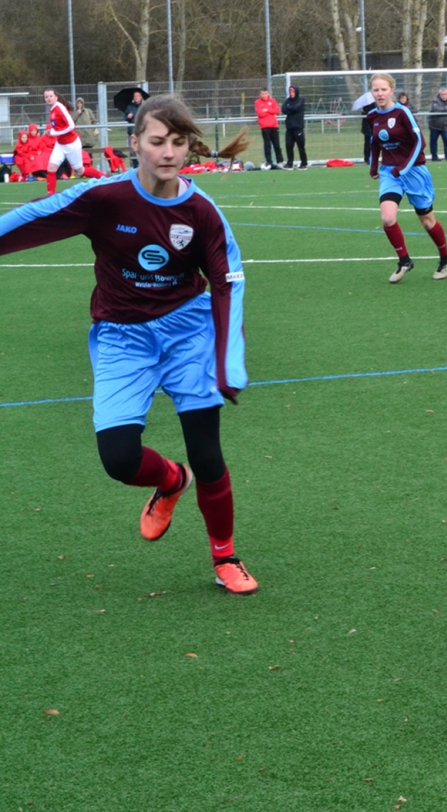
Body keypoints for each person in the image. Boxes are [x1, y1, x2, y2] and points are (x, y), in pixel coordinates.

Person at [0, 96, 258, 596]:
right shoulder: (105, 198)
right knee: (119, 458)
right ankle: (171, 480)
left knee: (207, 453)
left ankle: (225, 556)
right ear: (134, 143)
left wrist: (229, 361)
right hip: (123, 336)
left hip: (188, 333)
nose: (168, 152)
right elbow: (35, 216)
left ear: (188, 146)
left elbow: (228, 284)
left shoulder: (203, 212)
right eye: (157, 141)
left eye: (178, 142)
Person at [367, 72, 447, 283]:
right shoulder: (372, 116)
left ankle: (445, 257)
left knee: (427, 221)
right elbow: (374, 142)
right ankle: (404, 261)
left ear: (391, 91)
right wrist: (373, 165)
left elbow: (420, 142)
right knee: (387, 218)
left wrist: (404, 167)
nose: (380, 93)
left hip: (413, 171)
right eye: (376, 90)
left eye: (383, 89)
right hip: (390, 173)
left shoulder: (403, 112)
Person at [43, 89, 87, 196]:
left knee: (80, 171)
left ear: (56, 97)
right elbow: (59, 126)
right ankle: (50, 196)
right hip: (60, 144)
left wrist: (55, 132)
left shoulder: (60, 108)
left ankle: (105, 178)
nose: (49, 98)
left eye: (51, 96)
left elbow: (71, 125)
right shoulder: (52, 109)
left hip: (71, 143)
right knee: (51, 168)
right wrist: (52, 131)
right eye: (46, 97)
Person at [254, 88, 284, 170]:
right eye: (262, 94)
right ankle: (269, 162)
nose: (264, 95)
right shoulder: (257, 102)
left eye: (265, 93)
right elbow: (260, 113)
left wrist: (267, 110)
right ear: (260, 94)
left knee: (276, 144)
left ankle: (280, 161)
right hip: (265, 127)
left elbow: (277, 111)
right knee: (267, 145)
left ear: (268, 94)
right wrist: (270, 112)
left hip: (274, 126)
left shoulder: (273, 101)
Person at [429, 87, 447, 161]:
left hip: (446, 126)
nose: (444, 96)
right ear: (439, 94)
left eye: (445, 94)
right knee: (433, 141)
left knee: (446, 140)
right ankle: (434, 157)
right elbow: (436, 110)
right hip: (434, 125)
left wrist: (443, 110)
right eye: (442, 94)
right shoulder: (435, 100)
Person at [282, 85, 307, 169]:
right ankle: (289, 163)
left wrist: (289, 108)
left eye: (293, 92)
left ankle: (304, 163)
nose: (291, 93)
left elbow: (296, 108)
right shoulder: (287, 101)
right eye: (290, 92)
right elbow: (283, 109)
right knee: (288, 145)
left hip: (298, 128)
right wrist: (290, 108)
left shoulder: (301, 101)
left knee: (300, 146)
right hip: (289, 128)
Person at [124, 90, 144, 168]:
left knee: (142, 148)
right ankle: (135, 165)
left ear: (141, 97)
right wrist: (128, 117)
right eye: (135, 96)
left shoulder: (144, 107)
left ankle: (143, 165)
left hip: (142, 131)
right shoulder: (129, 107)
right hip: (132, 131)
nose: (136, 97)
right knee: (132, 150)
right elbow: (125, 118)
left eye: (138, 96)